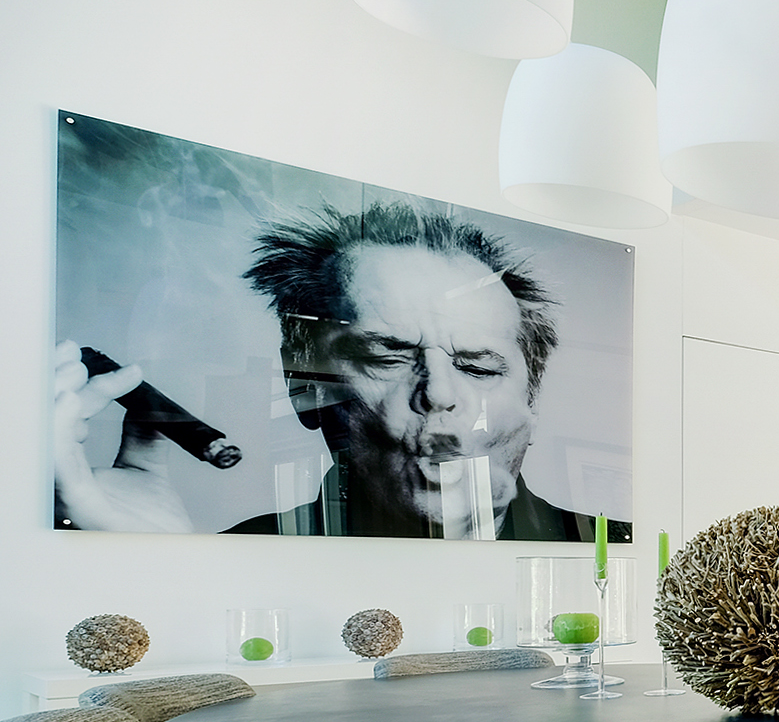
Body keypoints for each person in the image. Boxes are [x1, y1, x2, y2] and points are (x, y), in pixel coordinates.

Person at [53, 202, 621, 542]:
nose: (440, 394)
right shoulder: (239, 556)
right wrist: (148, 562)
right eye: (387, 357)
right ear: (306, 390)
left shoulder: (622, 559)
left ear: (531, 403)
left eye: (477, 366)